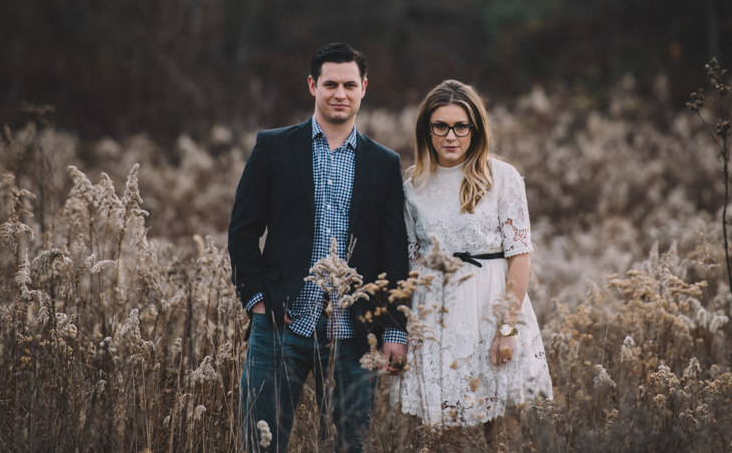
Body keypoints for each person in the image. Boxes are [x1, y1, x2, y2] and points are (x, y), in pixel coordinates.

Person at [228, 43, 409, 453]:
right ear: (313, 85)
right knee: (261, 442)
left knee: (350, 444)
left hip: (353, 331)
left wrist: (395, 328)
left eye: (349, 84)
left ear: (364, 88)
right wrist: (256, 300)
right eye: (330, 84)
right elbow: (242, 230)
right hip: (280, 325)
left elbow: (394, 251)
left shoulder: (383, 164)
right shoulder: (274, 147)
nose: (339, 93)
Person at [395, 79, 552, 430]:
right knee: (441, 428)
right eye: (441, 126)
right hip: (437, 313)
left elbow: (520, 257)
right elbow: (411, 263)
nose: (451, 136)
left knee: (500, 429)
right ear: (427, 130)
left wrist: (507, 327)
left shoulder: (502, 177)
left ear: (475, 129)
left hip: (491, 308)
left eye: (461, 126)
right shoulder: (413, 187)